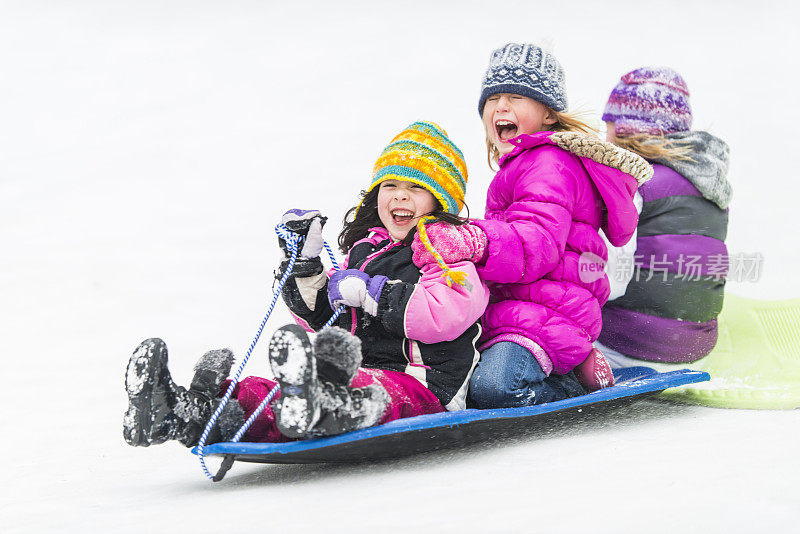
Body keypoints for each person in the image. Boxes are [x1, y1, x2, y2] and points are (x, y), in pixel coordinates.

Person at [123, 121, 490, 446]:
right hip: (355, 374)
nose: (398, 195)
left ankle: (322, 400)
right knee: (279, 396)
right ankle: (188, 412)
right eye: (389, 184)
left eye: (416, 186)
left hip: (422, 386)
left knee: (355, 389)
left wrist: (372, 293)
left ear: (441, 200)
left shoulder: (449, 255)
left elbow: (443, 315)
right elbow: (324, 317)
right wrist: (303, 264)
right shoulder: (366, 252)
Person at [410, 43, 653, 408]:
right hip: (521, 309)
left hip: (552, 312)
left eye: (515, 97)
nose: (501, 107)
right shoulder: (520, 166)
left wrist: (475, 240)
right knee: (459, 379)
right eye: (492, 99)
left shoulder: (548, 163)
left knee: (495, 388)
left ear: (549, 115)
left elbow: (535, 244)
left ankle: (577, 382)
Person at [597, 67, 731, 367]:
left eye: (608, 125)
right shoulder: (711, 185)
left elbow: (609, 276)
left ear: (625, 129)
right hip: (696, 348)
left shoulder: (634, 183)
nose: (603, 136)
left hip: (626, 347)